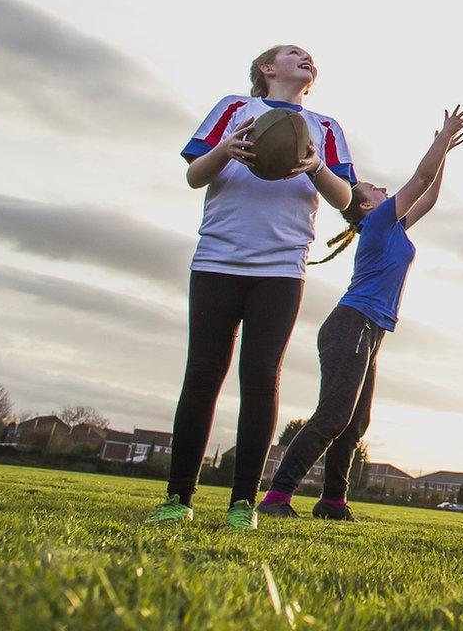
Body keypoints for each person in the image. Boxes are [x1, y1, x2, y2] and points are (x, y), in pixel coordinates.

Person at [147, 45, 355, 529]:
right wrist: (225, 150)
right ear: (267, 69)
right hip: (218, 258)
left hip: (281, 268)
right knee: (203, 372)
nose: (306, 58)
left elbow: (345, 197)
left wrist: (316, 167)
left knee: (261, 375)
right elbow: (194, 176)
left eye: (310, 57)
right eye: (292, 53)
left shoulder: (325, 127)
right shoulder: (234, 108)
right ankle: (178, 497)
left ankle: (243, 503)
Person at [259, 106, 463, 521]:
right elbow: (420, 180)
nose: (384, 190)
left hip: (369, 331)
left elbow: (430, 196)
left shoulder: (391, 227)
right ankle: (276, 497)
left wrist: (444, 150)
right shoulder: (376, 226)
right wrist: (442, 137)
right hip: (351, 325)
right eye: (376, 189)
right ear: (365, 207)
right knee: (334, 415)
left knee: (355, 422)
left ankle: (333, 502)